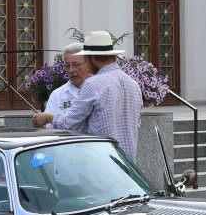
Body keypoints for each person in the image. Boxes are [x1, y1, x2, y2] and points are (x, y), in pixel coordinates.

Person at [33, 30, 141, 160]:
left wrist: (49, 117)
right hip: (128, 165)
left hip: (102, 163)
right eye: (68, 65)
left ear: (92, 58)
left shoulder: (92, 84)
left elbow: (69, 124)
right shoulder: (133, 84)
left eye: (84, 60)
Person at [44, 43, 87, 117]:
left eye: (76, 65)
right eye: (67, 66)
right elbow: (48, 123)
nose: (71, 70)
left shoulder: (100, 88)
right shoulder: (57, 95)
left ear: (88, 64)